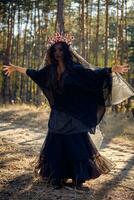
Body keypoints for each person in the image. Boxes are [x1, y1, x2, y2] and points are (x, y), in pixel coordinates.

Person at [3, 33, 133, 189]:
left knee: (76, 144)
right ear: (52, 53)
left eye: (61, 50)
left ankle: (78, 175)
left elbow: (93, 75)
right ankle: (58, 175)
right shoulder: (49, 70)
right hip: (58, 114)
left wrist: (111, 69)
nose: (58, 53)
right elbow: (34, 73)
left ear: (66, 52)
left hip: (75, 114)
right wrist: (16, 68)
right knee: (57, 143)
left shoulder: (75, 70)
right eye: (55, 50)